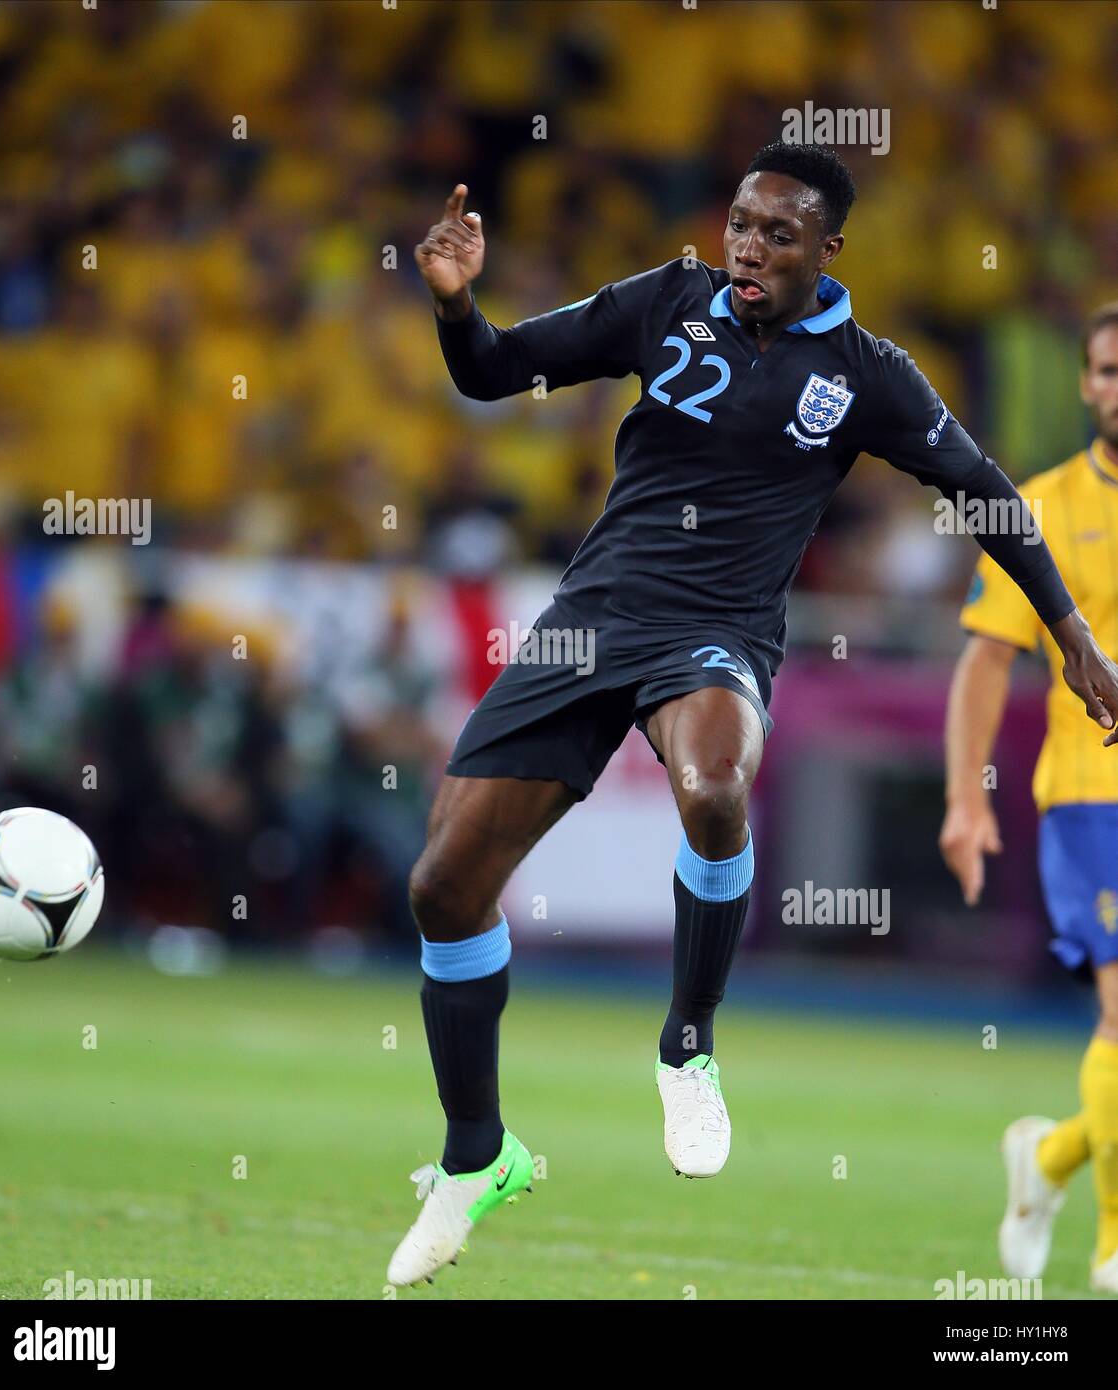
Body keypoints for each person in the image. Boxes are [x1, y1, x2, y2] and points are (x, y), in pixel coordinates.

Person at [389, 142, 1118, 1288]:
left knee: (716, 784)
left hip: (715, 628)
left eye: (777, 234)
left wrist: (1067, 628)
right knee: (439, 883)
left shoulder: (869, 375)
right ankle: (478, 1153)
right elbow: (493, 371)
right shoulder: (663, 301)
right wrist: (455, 306)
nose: (747, 246)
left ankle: (687, 1040)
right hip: (591, 618)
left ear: (827, 251)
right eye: (738, 223)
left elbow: (983, 490)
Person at [940, 303, 1118, 1295]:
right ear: (1085, 383)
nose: (1116, 386)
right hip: (1090, 795)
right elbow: (981, 664)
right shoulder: (1037, 505)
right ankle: (1109, 1250)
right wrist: (966, 800)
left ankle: (1045, 1160)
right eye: (1104, 369)